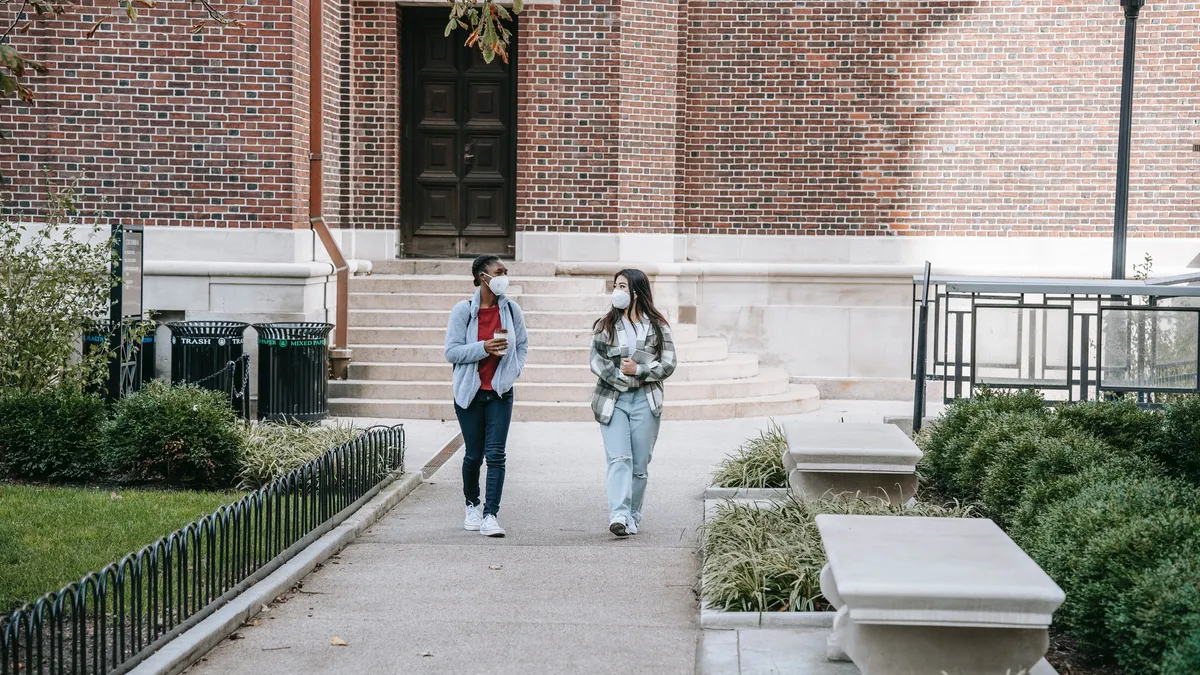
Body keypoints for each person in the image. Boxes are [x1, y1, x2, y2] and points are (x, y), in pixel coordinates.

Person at [444, 255, 528, 538]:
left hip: (500, 393)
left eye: (505, 271)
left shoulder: (512, 309)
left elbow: (523, 344)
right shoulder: (463, 310)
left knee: (496, 455)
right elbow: (452, 352)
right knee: (473, 455)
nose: (504, 276)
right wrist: (484, 348)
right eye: (499, 271)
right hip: (470, 393)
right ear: (483, 276)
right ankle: (472, 505)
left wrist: (513, 370)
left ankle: (491, 515)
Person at [589, 268, 677, 537]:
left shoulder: (658, 326)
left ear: (637, 292)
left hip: (645, 400)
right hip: (612, 400)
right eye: (616, 286)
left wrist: (638, 371)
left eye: (623, 287)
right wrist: (621, 377)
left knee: (639, 465)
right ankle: (618, 515)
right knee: (619, 458)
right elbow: (596, 361)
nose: (617, 291)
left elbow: (669, 363)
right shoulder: (605, 325)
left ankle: (632, 516)